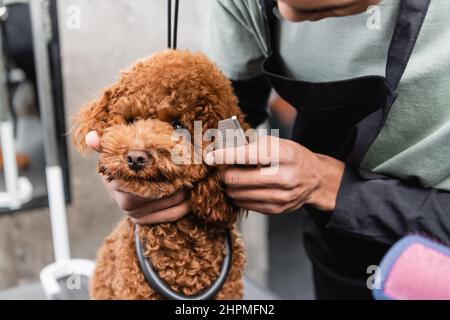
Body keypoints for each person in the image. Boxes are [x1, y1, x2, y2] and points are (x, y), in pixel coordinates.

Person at [85, 0, 450, 299]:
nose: (286, 13)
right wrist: (144, 172)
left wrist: (331, 186)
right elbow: (219, 122)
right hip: (338, 252)